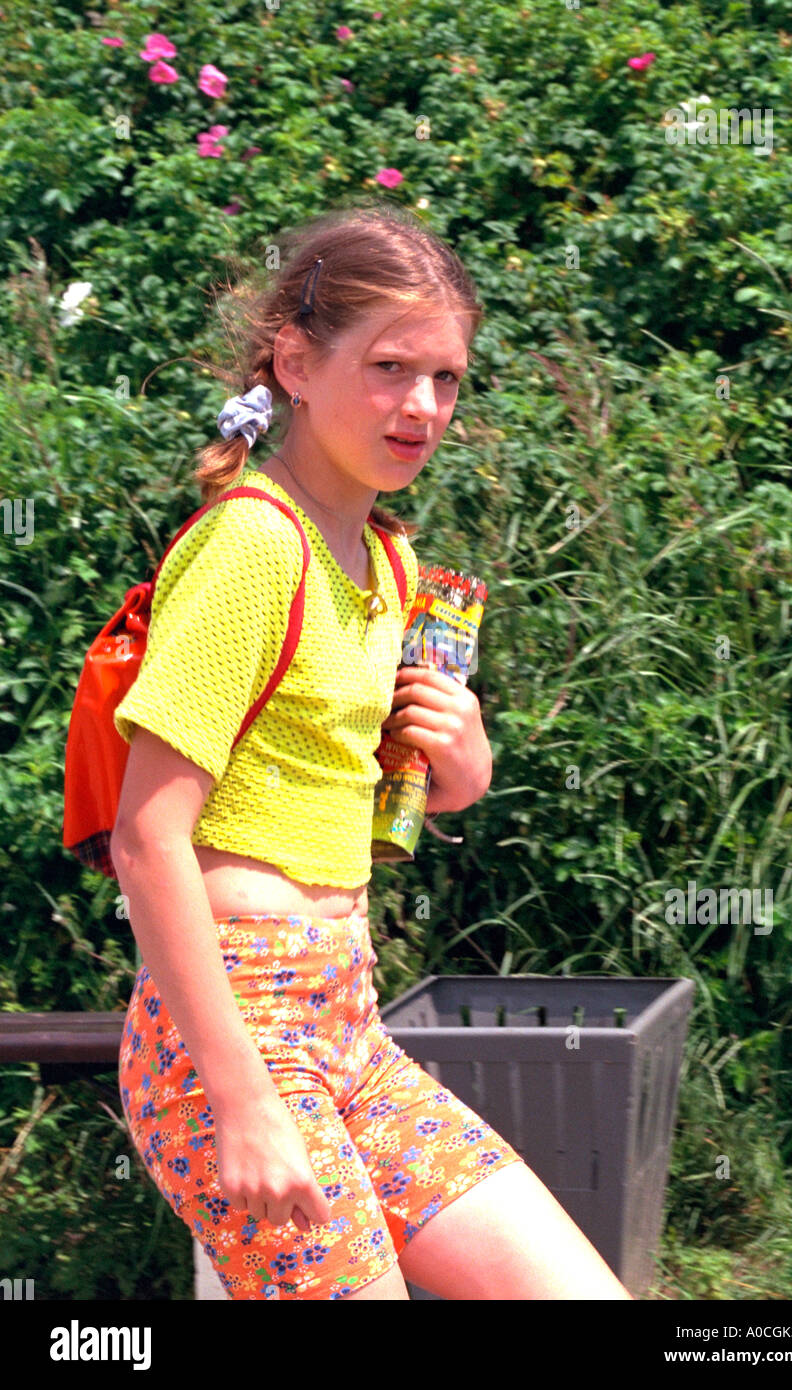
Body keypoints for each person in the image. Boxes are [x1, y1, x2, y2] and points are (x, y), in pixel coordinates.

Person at [112, 201, 633, 1301]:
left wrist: (463, 767)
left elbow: (355, 795)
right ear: (296, 363)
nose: (423, 406)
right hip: (234, 1044)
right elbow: (147, 838)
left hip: (348, 1024)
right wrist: (244, 1097)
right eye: (391, 367)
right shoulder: (256, 542)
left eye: (446, 378)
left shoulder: (388, 564)